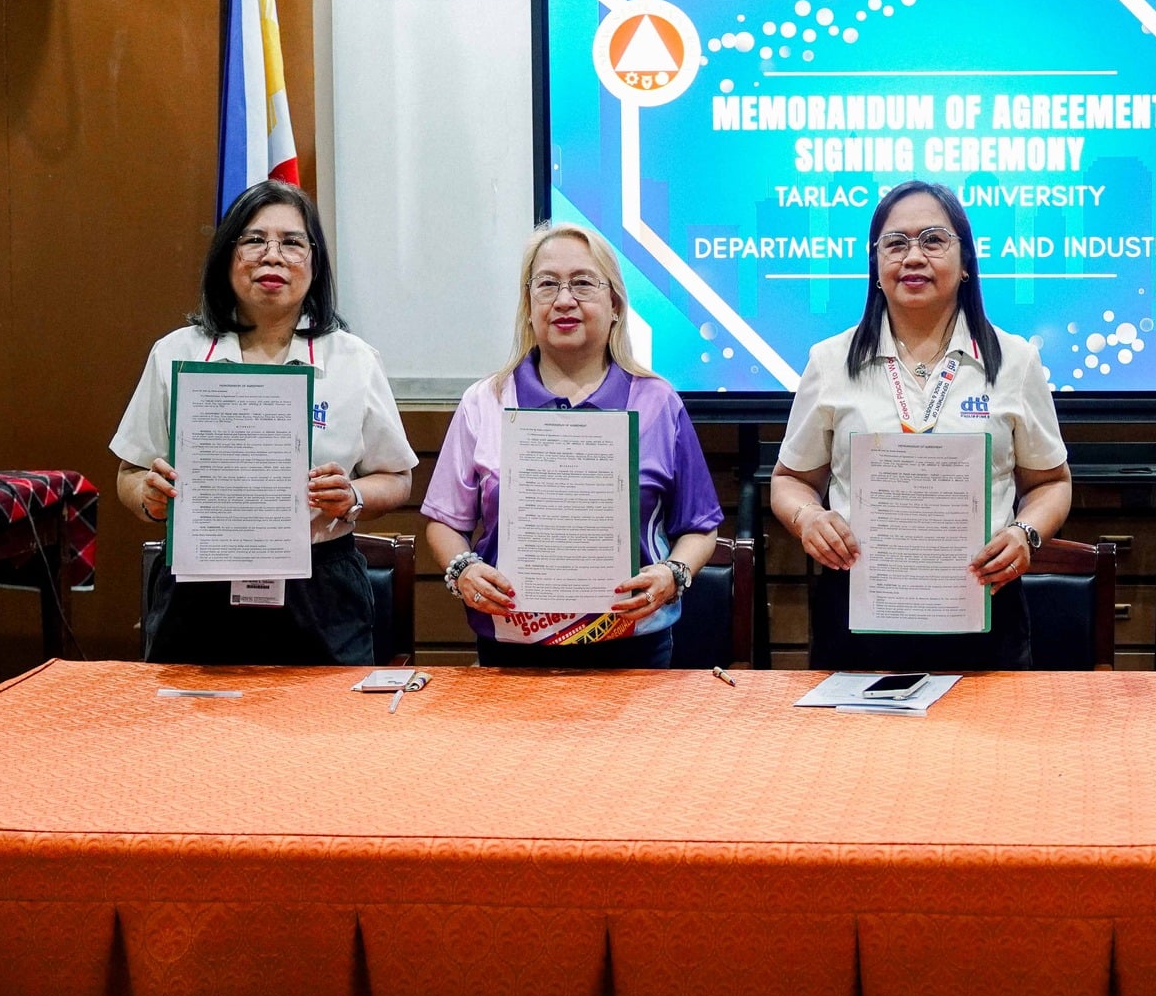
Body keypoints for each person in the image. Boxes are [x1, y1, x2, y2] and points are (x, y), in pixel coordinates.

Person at [111, 180, 418, 664]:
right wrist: (148, 496)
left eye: (292, 243)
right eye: (255, 240)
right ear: (227, 255)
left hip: (320, 585)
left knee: (326, 715)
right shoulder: (176, 353)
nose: (272, 256)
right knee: (185, 713)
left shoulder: (354, 360)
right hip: (198, 590)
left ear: (314, 262)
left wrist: (353, 496)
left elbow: (397, 478)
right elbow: (129, 472)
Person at [771, 181, 1072, 671]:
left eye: (933, 240)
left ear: (966, 260)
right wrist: (809, 518)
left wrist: (1025, 533)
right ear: (875, 265)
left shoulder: (1015, 361)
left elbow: (1051, 483)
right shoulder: (830, 361)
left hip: (982, 608)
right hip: (859, 614)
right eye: (895, 243)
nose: (913, 257)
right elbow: (790, 480)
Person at [422, 223, 724, 668]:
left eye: (583, 283)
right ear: (528, 306)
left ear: (615, 304)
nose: (564, 300)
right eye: (547, 284)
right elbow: (444, 521)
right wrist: (463, 569)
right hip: (511, 648)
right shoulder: (484, 401)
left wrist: (672, 574)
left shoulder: (658, 402)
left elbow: (699, 526)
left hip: (633, 648)